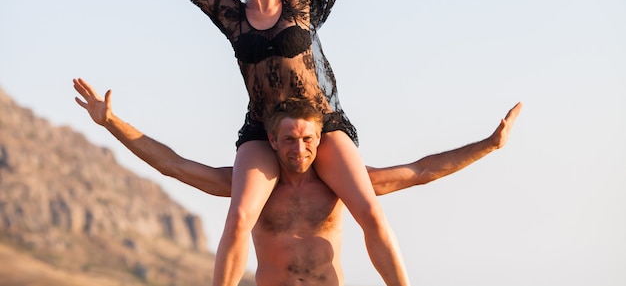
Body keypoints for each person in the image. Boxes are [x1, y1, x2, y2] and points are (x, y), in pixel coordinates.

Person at [91, 0, 412, 285]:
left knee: (369, 210)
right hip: (263, 126)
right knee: (240, 216)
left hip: (320, 121)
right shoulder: (229, 13)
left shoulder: (299, 0)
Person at [73, 77, 522, 286]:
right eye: (289, 139)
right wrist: (111, 122)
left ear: (319, 138)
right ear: (272, 138)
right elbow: (174, 165)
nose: (299, 148)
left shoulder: (340, 185)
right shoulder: (255, 188)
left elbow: (420, 171)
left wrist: (490, 144)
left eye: (308, 139)